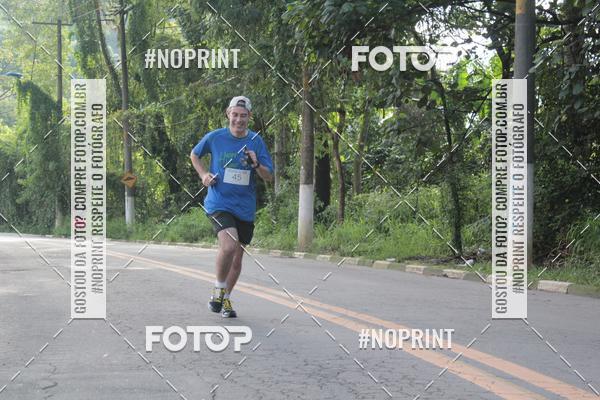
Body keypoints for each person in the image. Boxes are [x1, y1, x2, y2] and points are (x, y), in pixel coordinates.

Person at [190, 96, 273, 318]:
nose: (238, 120)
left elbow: (269, 176)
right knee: (229, 246)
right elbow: (194, 154)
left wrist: (256, 164)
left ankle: (225, 298)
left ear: (249, 117)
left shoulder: (256, 141)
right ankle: (218, 290)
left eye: (243, 116)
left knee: (237, 258)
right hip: (219, 202)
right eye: (235, 114)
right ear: (228, 114)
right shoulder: (215, 137)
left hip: (244, 207)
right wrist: (203, 174)